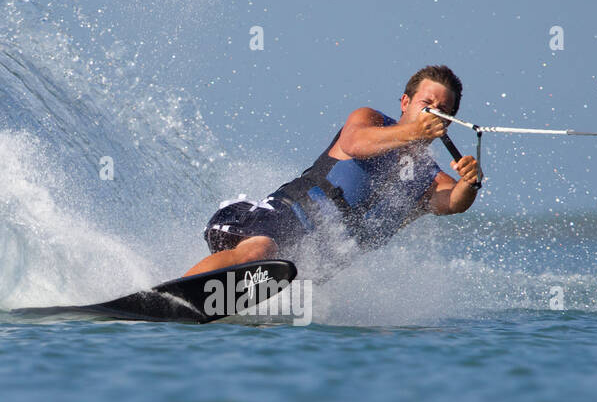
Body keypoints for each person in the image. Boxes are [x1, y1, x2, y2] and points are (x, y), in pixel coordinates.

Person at [183, 65, 483, 278]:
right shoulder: (371, 120)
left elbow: (454, 201)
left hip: (301, 267)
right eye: (425, 103)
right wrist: (414, 132)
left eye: (442, 110)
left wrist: (470, 182)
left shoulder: (427, 178)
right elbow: (354, 143)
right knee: (259, 253)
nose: (432, 112)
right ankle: (168, 303)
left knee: (270, 269)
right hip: (268, 222)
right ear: (405, 102)